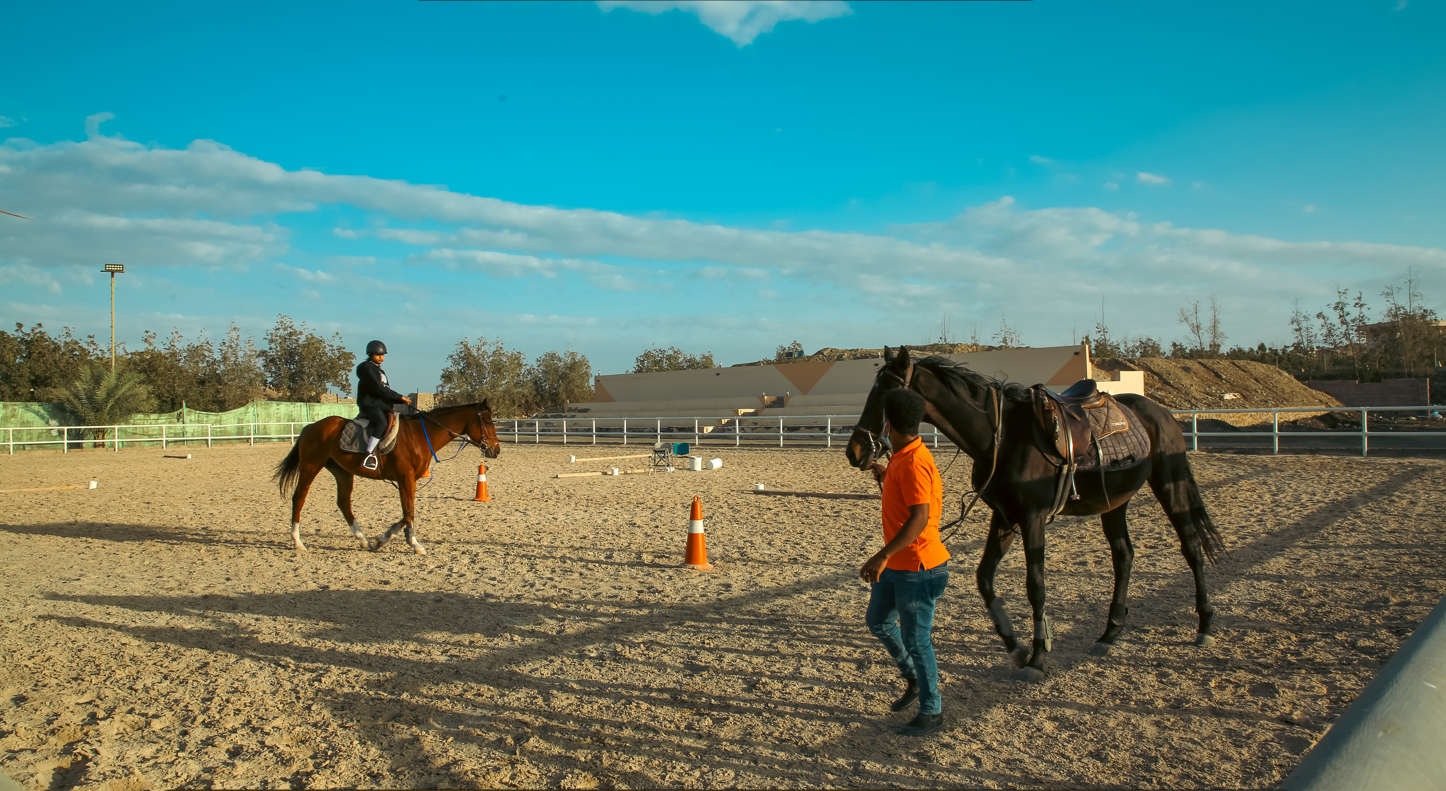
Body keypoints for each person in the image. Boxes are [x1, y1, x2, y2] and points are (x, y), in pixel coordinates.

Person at [860, 387, 950, 736]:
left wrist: (882, 555)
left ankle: (932, 711)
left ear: (888, 423)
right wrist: (886, 476)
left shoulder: (913, 462)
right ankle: (914, 680)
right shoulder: (902, 455)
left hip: (917, 566)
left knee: (918, 640)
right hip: (901, 563)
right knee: (879, 621)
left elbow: (919, 520)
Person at [356, 340, 410, 470]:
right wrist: (399, 396)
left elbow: (384, 391)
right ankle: (368, 454)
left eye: (383, 355)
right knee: (382, 422)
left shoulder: (379, 371)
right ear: (370, 354)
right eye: (378, 355)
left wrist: (400, 400)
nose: (382, 358)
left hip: (379, 404)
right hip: (369, 404)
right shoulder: (368, 368)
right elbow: (378, 389)